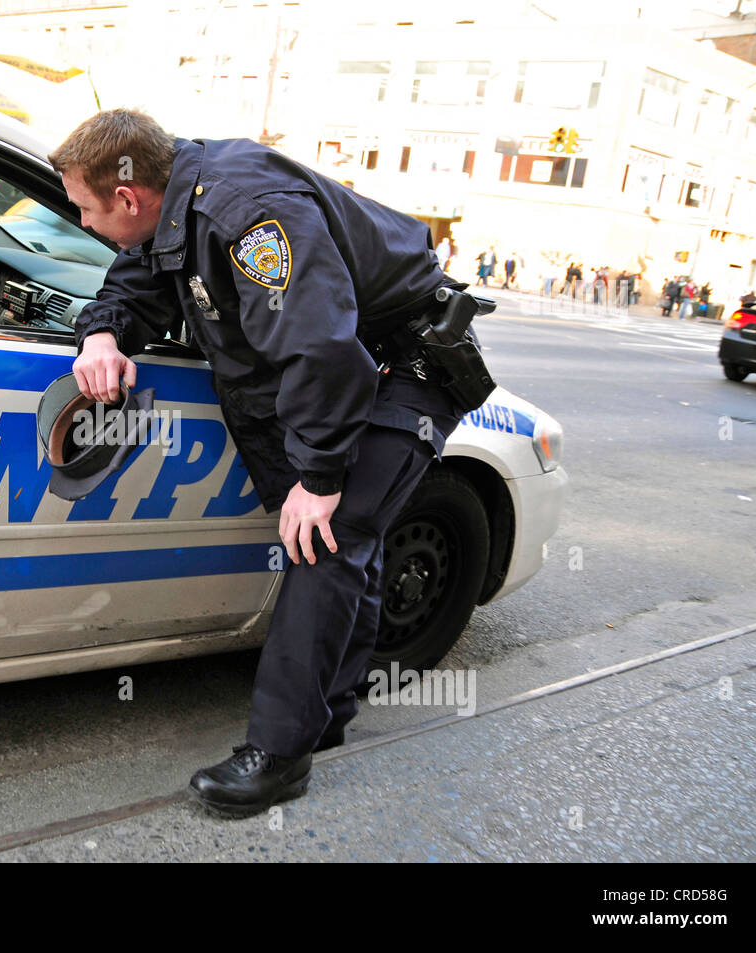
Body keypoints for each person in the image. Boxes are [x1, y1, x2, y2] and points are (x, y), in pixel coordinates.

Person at [49, 108, 469, 817]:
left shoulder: (248, 216)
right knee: (346, 544)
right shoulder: (173, 201)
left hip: (402, 363)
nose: (83, 224)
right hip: (341, 365)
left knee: (325, 539)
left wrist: (321, 477)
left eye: (85, 209)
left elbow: (321, 349)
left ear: (127, 196)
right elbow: (136, 281)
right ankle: (327, 711)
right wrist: (102, 336)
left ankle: (278, 754)